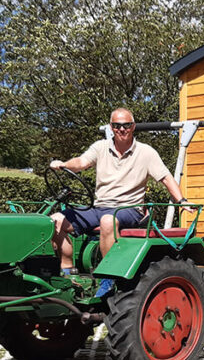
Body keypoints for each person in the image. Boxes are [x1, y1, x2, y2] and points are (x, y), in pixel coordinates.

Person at [49, 108, 187, 297]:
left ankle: (108, 278)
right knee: (55, 220)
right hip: (99, 206)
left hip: (129, 209)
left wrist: (182, 201)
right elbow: (81, 162)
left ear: (133, 127)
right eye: (117, 125)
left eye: (126, 125)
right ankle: (67, 273)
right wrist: (64, 164)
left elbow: (165, 178)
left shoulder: (146, 152)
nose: (122, 129)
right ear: (111, 127)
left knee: (108, 221)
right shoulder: (100, 147)